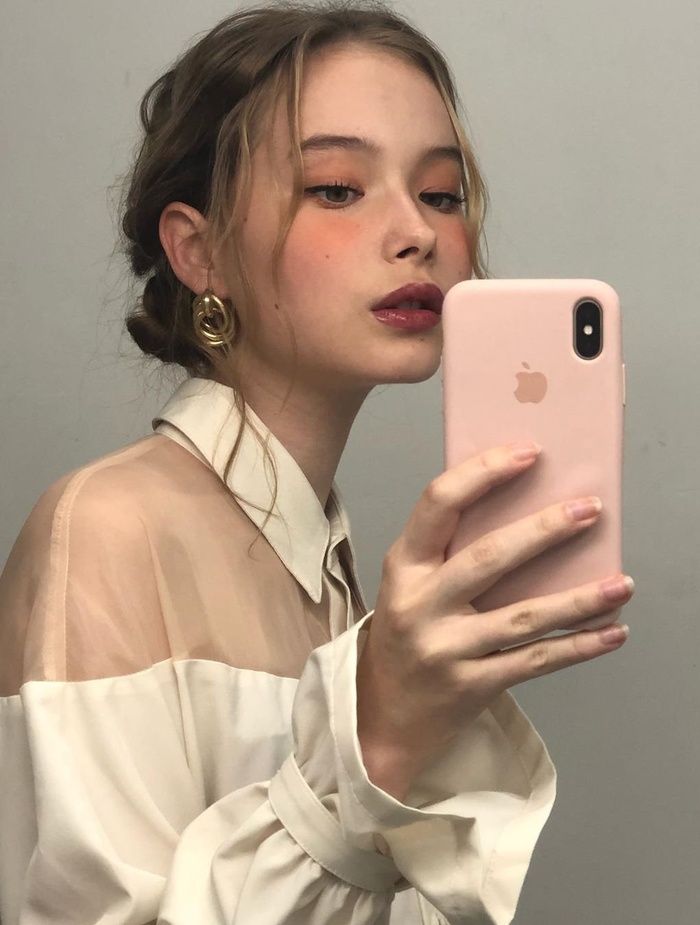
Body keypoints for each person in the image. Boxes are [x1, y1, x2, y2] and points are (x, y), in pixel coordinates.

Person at [0, 3, 634, 923]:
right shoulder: (108, 530)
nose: (416, 231)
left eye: (441, 193)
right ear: (199, 250)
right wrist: (378, 742)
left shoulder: (338, 580)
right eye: (337, 189)